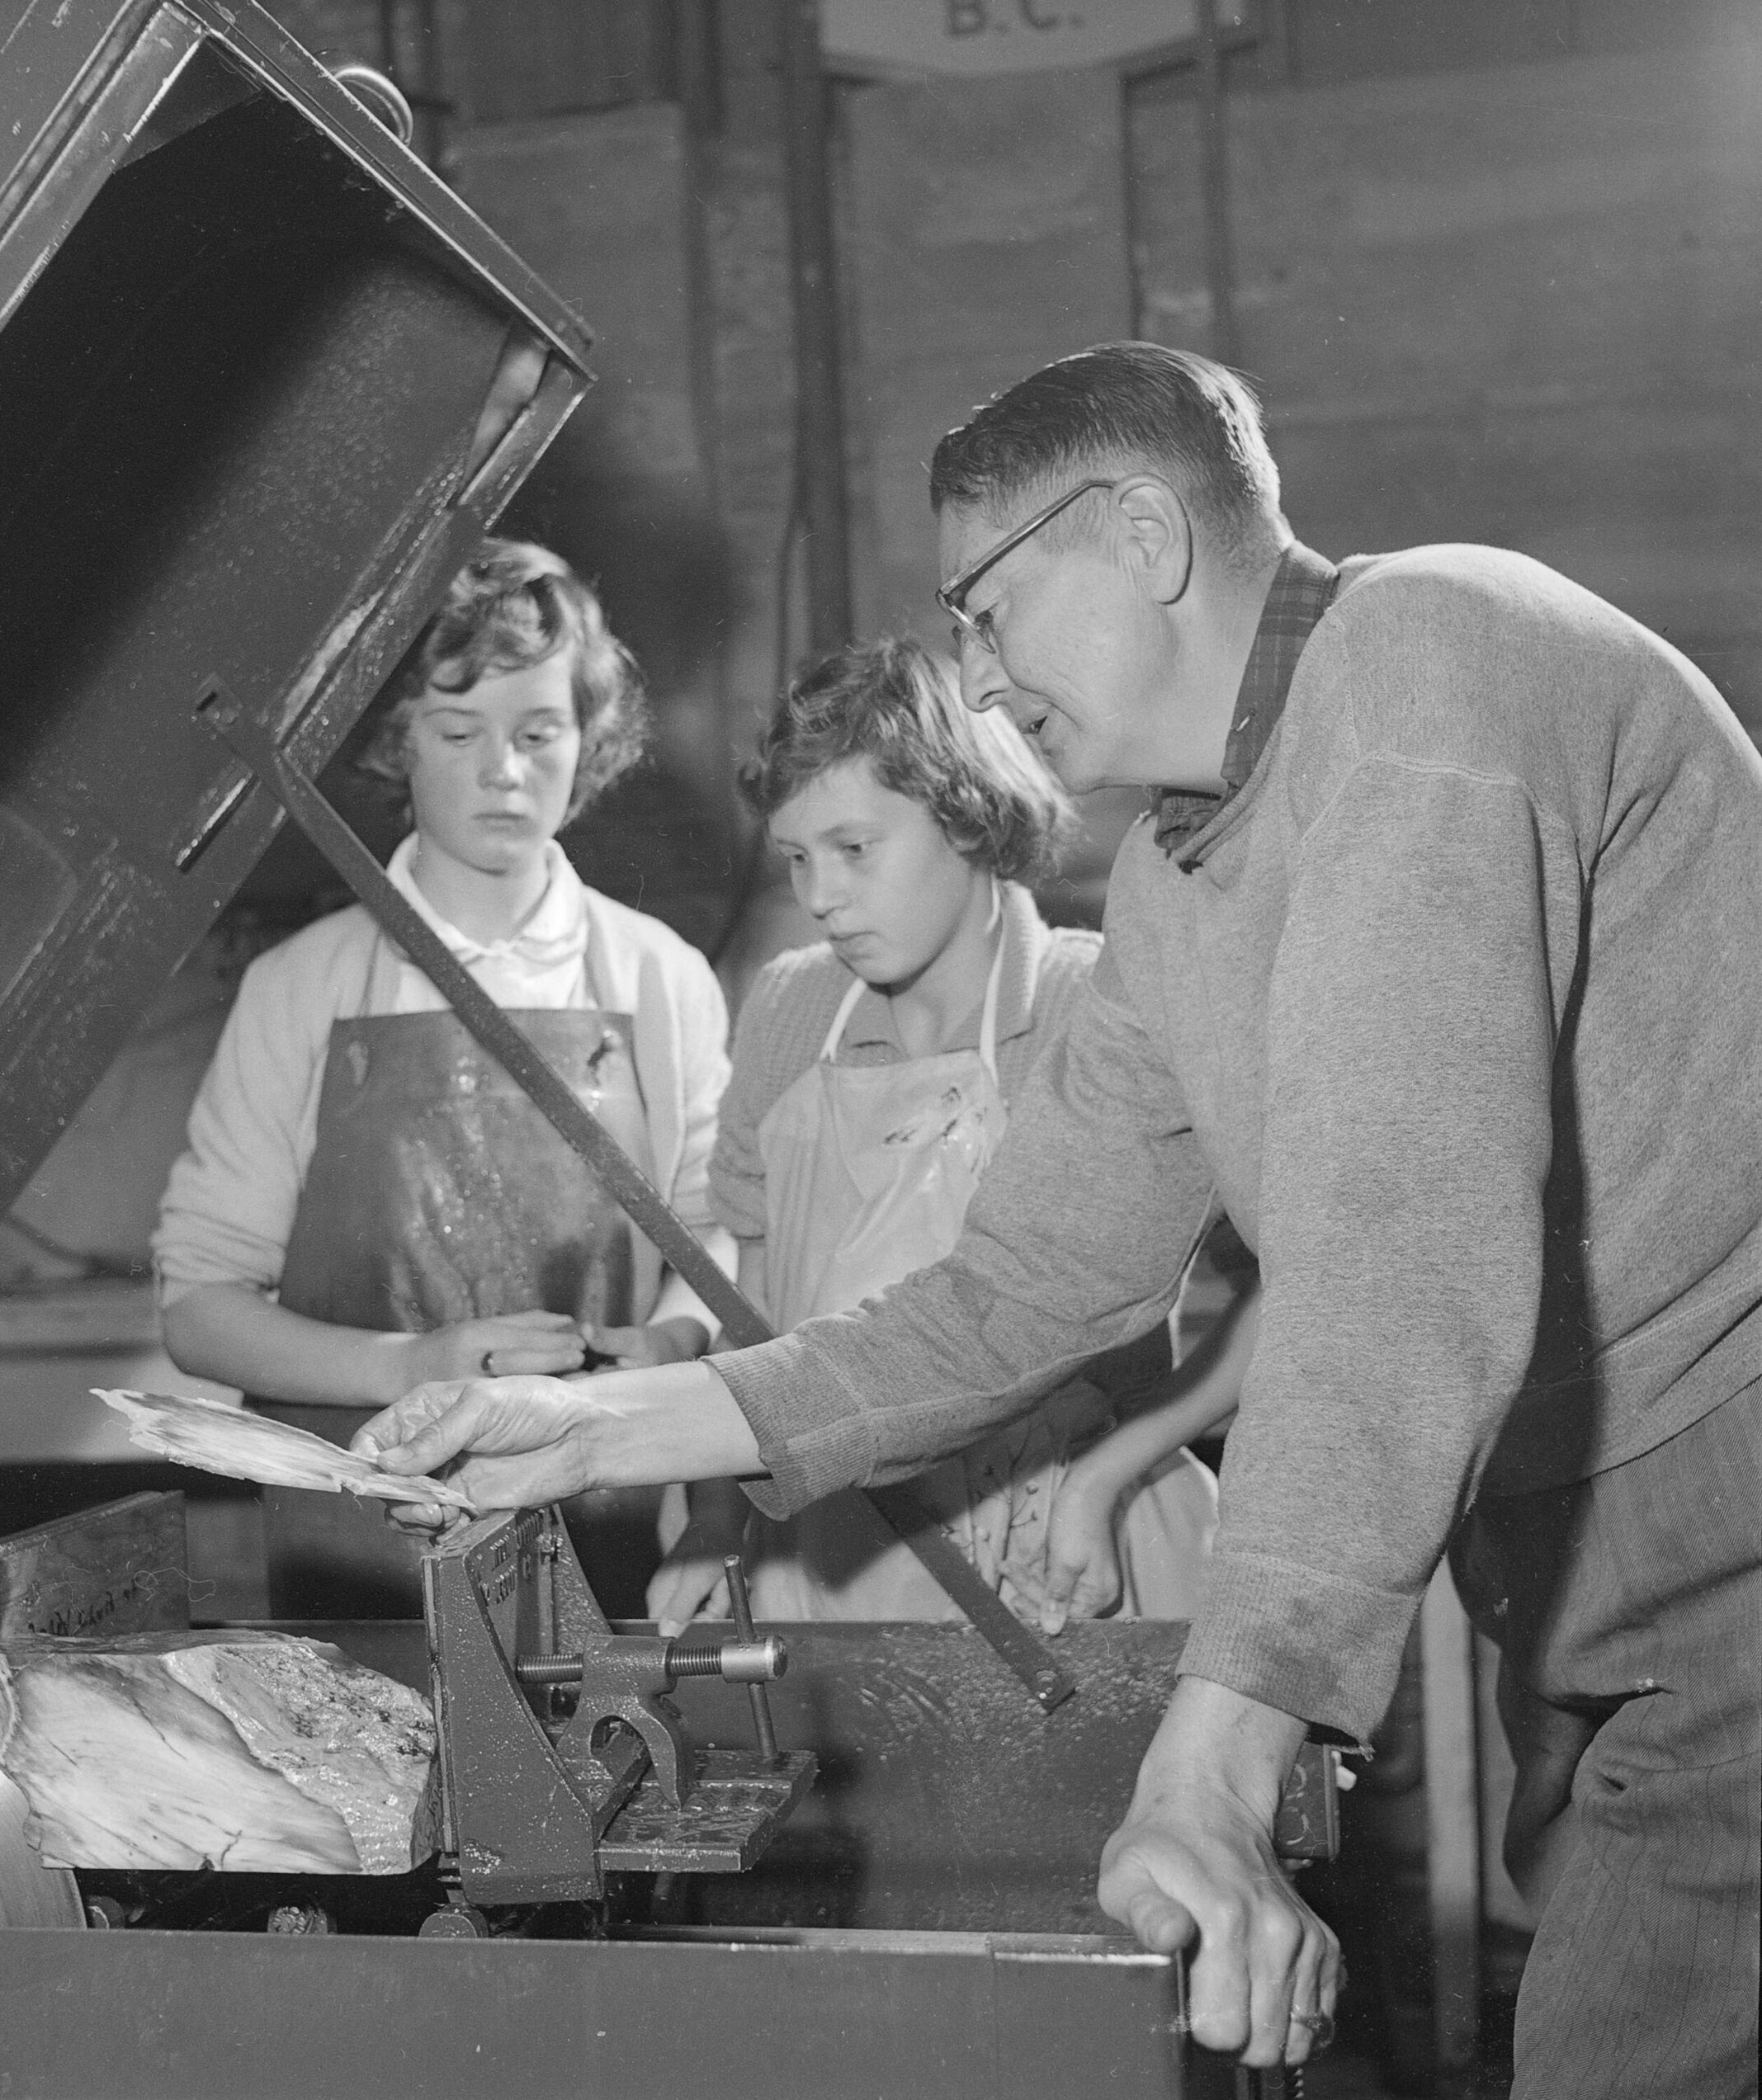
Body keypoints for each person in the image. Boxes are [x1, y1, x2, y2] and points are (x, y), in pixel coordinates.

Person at [355, 345, 1762, 2093]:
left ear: (1144, 534)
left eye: (989, 601)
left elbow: (1395, 1264)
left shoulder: (1425, 674)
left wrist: (1209, 1760)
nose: (977, 668)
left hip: (1719, 1519)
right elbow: (1017, 1289)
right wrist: (587, 1423)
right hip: (1559, 1546)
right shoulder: (1183, 870)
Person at [154, 537, 735, 1615]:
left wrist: (671, 1336)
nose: (504, 773)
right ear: (397, 743)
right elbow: (198, 1308)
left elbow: (718, 1238)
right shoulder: (303, 986)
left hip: (598, 1560)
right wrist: (408, 1365)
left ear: (590, 741)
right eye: (459, 731)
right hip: (347, 1563)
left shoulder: (660, 978)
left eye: (540, 733)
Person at [649, 635, 1238, 1637]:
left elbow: (1303, 1287)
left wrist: (1111, 1469)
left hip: (1076, 1559)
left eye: (854, 849)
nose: (820, 897)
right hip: (830, 1557)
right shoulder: (792, 1010)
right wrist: (714, 1515)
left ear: (967, 814)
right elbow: (750, 1311)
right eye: (796, 858)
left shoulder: (1095, 1004)